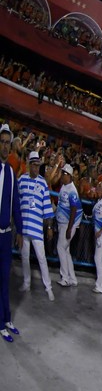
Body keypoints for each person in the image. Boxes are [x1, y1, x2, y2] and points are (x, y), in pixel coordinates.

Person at [16, 150, 55, 299]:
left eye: (38, 166)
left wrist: (50, 227)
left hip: (37, 228)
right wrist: (17, 225)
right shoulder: (21, 180)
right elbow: (17, 204)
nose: (36, 168)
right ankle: (26, 283)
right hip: (24, 228)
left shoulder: (43, 183)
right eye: (34, 165)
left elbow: (47, 207)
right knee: (24, 257)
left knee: (41, 258)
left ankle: (48, 287)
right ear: (29, 165)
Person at [0, 124, 23, 342]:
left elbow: (16, 204)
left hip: (6, 235)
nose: (5, 146)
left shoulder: (10, 172)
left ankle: (6, 318)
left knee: (5, 278)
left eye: (8, 143)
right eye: (2, 142)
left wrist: (20, 230)